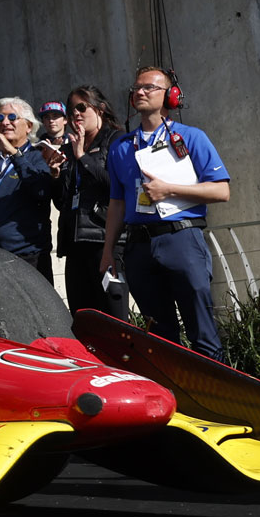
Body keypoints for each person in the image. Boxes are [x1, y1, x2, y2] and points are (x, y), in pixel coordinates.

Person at [99, 68, 230, 360]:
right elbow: (117, 203)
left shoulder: (191, 137)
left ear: (170, 96)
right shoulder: (121, 146)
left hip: (181, 237)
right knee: (159, 336)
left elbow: (221, 191)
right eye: (136, 88)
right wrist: (109, 251)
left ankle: (213, 393)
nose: (140, 92)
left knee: (201, 328)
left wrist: (169, 190)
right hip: (139, 246)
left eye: (149, 87)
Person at [55, 85, 127, 318]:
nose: (76, 114)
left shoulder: (116, 139)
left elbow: (115, 186)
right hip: (75, 241)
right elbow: (61, 201)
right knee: (82, 315)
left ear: (100, 109)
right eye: (71, 110)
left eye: (82, 107)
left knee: (111, 313)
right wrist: (56, 174)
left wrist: (83, 158)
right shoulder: (70, 146)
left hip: (103, 238)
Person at [0, 96, 56, 278]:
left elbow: (41, 191)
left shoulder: (39, 157)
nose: (6, 123)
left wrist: (13, 154)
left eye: (12, 117)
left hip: (28, 258)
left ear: (28, 126)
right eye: (0, 119)